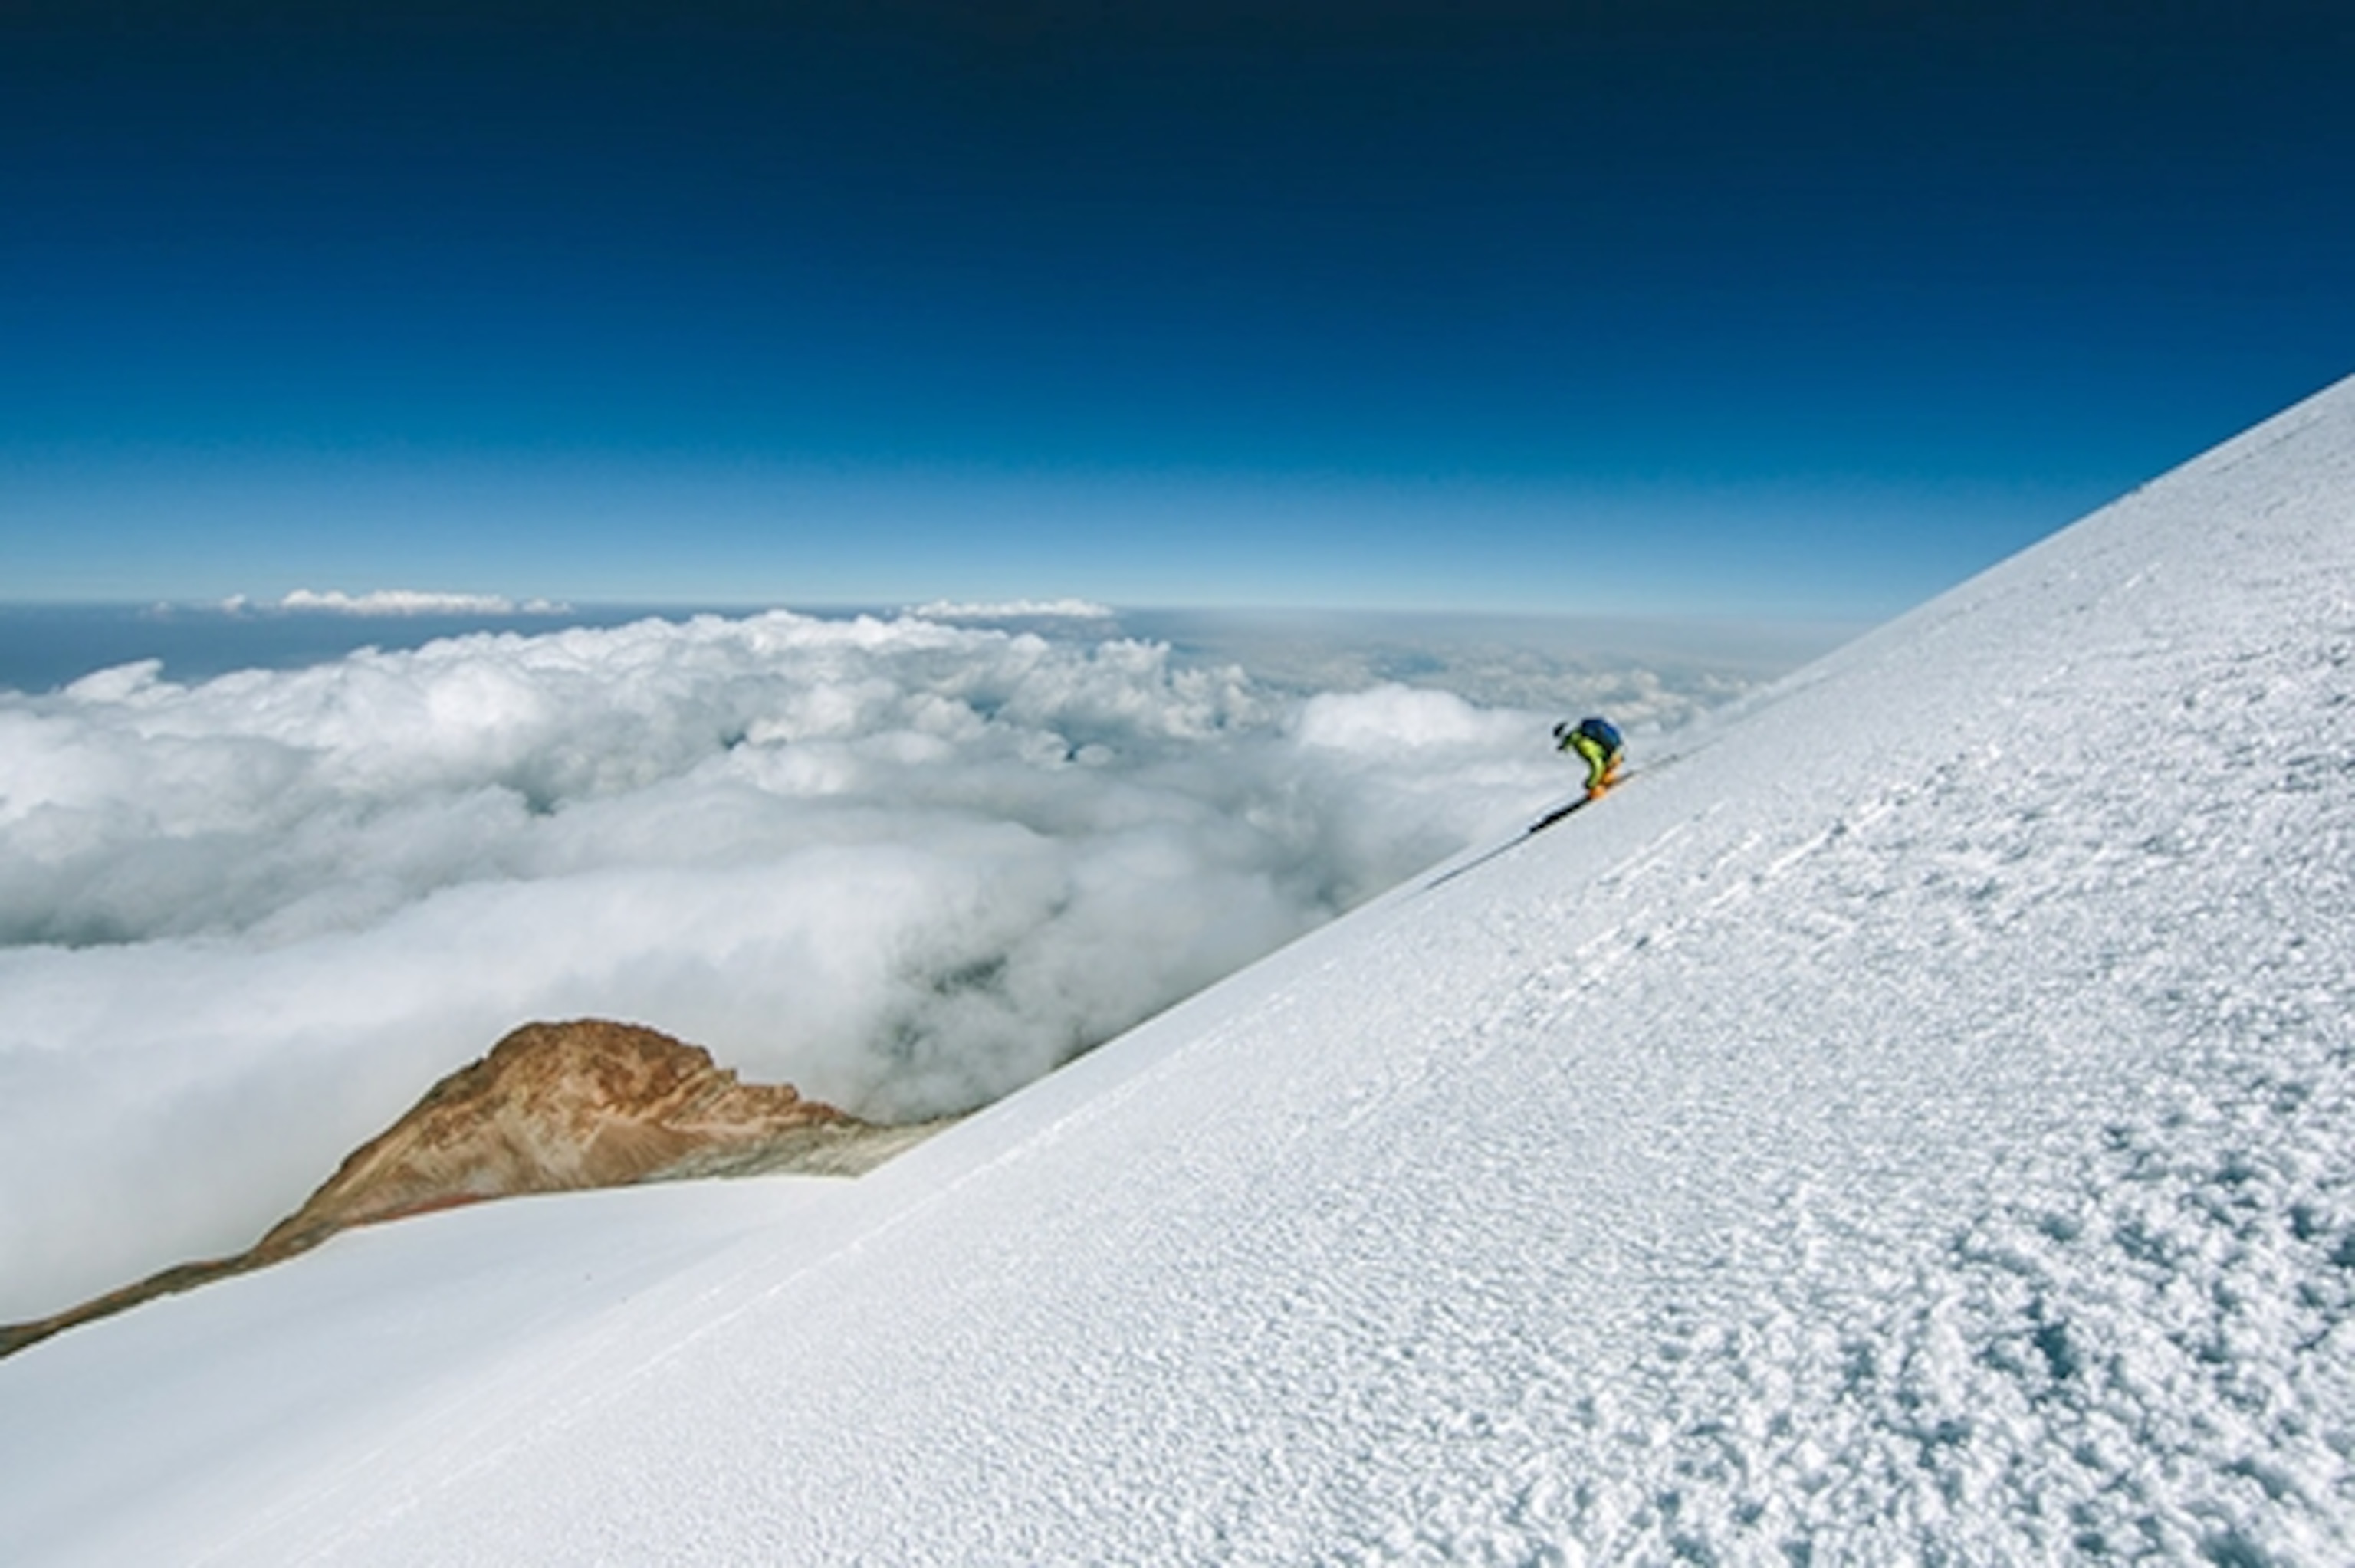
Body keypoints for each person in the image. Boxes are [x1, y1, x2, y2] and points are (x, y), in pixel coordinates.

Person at [1554, 716, 1625, 799]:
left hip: (1612, 758)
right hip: (1617, 754)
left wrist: (1591, 783)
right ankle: (1608, 778)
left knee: (1594, 785)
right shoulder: (1584, 734)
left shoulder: (1582, 743)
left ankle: (1597, 792)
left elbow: (1596, 763)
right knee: (1603, 772)